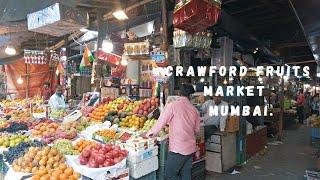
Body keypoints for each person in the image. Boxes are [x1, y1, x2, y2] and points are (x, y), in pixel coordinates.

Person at [146, 84, 200, 180]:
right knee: (186, 174)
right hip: (190, 148)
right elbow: (197, 130)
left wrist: (149, 134)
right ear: (191, 96)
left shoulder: (173, 105)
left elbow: (161, 122)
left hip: (178, 149)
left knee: (169, 175)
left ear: (179, 93)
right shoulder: (195, 110)